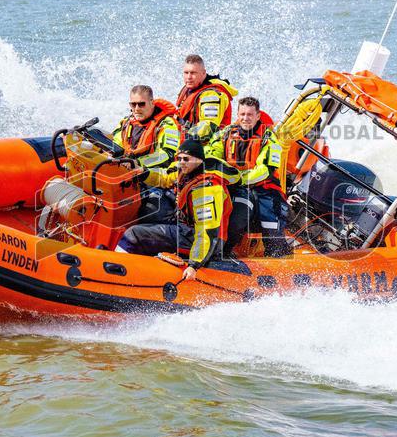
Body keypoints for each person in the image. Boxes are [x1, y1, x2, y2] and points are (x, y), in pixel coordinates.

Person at [116, 139, 234, 281]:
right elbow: (165, 179)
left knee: (134, 234)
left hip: (201, 239)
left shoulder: (206, 189)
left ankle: (117, 273)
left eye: (186, 159)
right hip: (187, 229)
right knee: (149, 216)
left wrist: (194, 264)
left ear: (199, 160)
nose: (182, 162)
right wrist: (143, 172)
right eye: (179, 159)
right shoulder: (185, 174)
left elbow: (207, 232)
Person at [207, 96, 291, 257]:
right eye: (242, 114)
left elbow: (265, 169)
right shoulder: (225, 134)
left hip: (263, 187)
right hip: (232, 185)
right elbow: (212, 155)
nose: (245, 118)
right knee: (231, 217)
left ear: (258, 116)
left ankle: (278, 255)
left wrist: (239, 178)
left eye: (250, 114)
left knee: (271, 222)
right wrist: (224, 174)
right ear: (237, 115)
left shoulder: (269, 138)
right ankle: (221, 252)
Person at [111, 85, 181, 170]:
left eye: (141, 104)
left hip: (153, 173)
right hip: (126, 168)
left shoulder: (168, 124)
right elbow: (116, 144)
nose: (137, 109)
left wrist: (137, 162)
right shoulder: (126, 123)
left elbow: (168, 154)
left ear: (152, 103)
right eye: (133, 104)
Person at [175, 54, 239, 143]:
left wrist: (182, 139)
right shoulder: (189, 89)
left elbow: (208, 127)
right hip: (190, 143)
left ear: (203, 73)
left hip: (208, 147)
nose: (189, 77)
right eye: (186, 73)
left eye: (193, 73)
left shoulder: (211, 95)